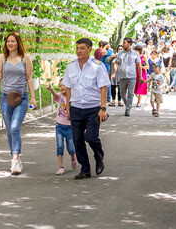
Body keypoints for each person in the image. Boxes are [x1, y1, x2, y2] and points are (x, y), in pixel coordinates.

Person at [0, 32, 36, 175]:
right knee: (9, 129)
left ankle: (15, 159)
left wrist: (33, 98)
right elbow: (0, 75)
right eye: (8, 41)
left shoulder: (25, 58)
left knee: (15, 127)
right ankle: (15, 157)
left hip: (22, 98)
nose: (10, 44)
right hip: (5, 98)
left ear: (18, 43)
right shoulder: (2, 57)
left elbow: (29, 78)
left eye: (13, 41)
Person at [62, 38, 110, 179]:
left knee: (91, 137)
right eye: (77, 48)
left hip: (93, 108)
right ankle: (85, 169)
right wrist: (68, 109)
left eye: (82, 48)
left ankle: (99, 157)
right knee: (77, 140)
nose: (79, 51)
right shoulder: (71, 66)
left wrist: (103, 108)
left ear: (90, 49)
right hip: (76, 107)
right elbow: (68, 89)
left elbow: (103, 88)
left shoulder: (97, 66)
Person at [46, 80, 78, 175]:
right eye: (60, 86)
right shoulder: (60, 96)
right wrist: (51, 89)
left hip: (70, 127)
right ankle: (61, 167)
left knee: (71, 148)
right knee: (59, 147)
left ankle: (73, 157)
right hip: (59, 126)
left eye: (64, 85)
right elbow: (56, 95)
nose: (62, 87)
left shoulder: (73, 98)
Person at [113, 37, 143, 117]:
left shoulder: (135, 53)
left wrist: (140, 77)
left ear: (129, 44)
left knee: (130, 93)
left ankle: (127, 110)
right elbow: (116, 63)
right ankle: (128, 105)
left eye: (124, 42)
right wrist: (114, 72)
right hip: (122, 76)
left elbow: (139, 65)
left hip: (132, 76)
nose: (123, 44)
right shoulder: (120, 53)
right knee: (122, 93)